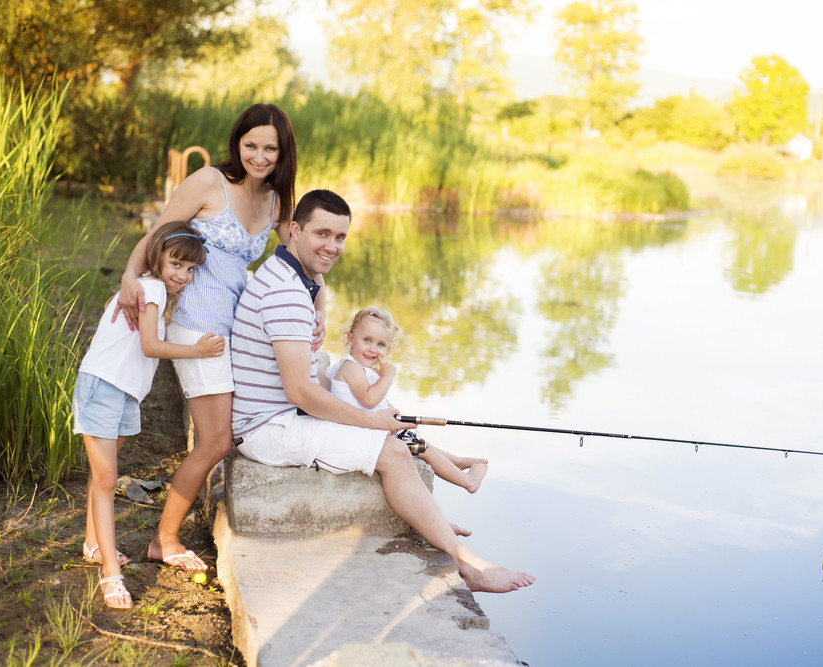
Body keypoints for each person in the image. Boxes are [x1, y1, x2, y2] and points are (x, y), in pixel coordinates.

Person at [230, 189, 535, 594]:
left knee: (393, 436)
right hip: (271, 427)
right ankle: (467, 565)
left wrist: (319, 300)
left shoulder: (288, 276)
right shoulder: (286, 293)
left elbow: (307, 362)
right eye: (322, 234)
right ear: (294, 230)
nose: (332, 246)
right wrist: (371, 420)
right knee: (391, 448)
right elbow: (300, 391)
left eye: (340, 237)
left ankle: (437, 525)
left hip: (279, 414)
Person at [113, 103, 323, 572]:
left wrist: (319, 302)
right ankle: (164, 540)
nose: (260, 156)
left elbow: (303, 255)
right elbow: (160, 231)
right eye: (251, 145)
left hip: (235, 323)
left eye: (270, 147)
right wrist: (131, 275)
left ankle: (166, 535)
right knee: (215, 440)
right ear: (238, 143)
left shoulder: (277, 203)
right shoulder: (210, 182)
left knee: (234, 427)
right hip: (193, 320)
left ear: (283, 150)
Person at [73, 222, 224, 609]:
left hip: (121, 391)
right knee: (106, 478)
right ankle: (110, 571)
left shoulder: (152, 288)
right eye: (176, 264)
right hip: (104, 386)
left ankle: (93, 543)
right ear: (157, 257)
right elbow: (150, 345)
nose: (184, 276)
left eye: (191, 269)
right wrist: (200, 351)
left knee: (101, 473)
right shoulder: (152, 288)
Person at [329, 307, 488, 493]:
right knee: (423, 448)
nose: (373, 349)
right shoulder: (351, 367)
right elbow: (368, 399)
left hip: (371, 430)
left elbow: (374, 402)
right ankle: (468, 482)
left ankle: (457, 462)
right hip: (359, 436)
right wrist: (388, 376)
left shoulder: (365, 369)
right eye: (367, 340)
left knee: (417, 438)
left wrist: (391, 410)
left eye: (381, 344)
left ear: (387, 348)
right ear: (350, 339)